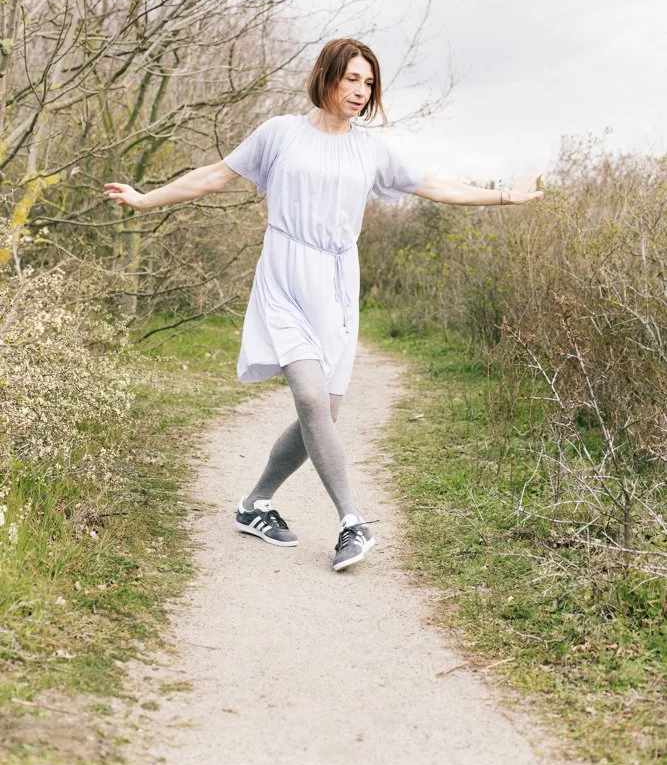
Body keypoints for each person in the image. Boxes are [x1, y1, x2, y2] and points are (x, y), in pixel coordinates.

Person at [104, 38, 543, 572]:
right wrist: (145, 199)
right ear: (326, 76)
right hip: (285, 274)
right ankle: (351, 522)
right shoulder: (279, 134)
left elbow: (433, 186)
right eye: (351, 79)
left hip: (337, 284)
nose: (360, 91)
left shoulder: (370, 149)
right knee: (311, 400)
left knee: (323, 414)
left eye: (369, 83)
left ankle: (254, 504)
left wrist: (503, 197)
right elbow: (214, 176)